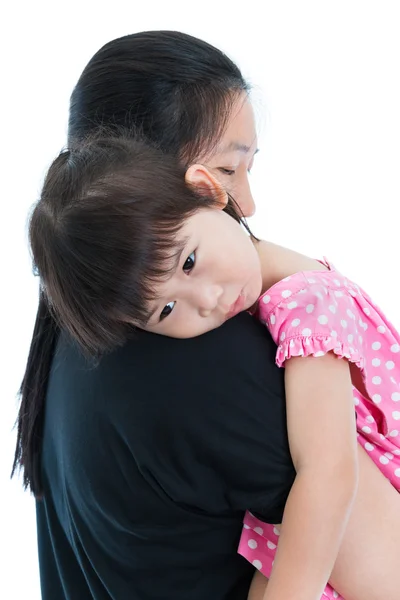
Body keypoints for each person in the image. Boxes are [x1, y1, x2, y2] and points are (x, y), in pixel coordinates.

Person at [29, 133, 400, 600]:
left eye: (189, 261)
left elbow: (329, 472)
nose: (207, 301)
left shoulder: (306, 304)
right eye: (165, 311)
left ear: (206, 189)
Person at [12, 31, 297, 600]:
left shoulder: (78, 339)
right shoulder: (204, 354)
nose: (248, 203)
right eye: (228, 170)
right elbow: (385, 562)